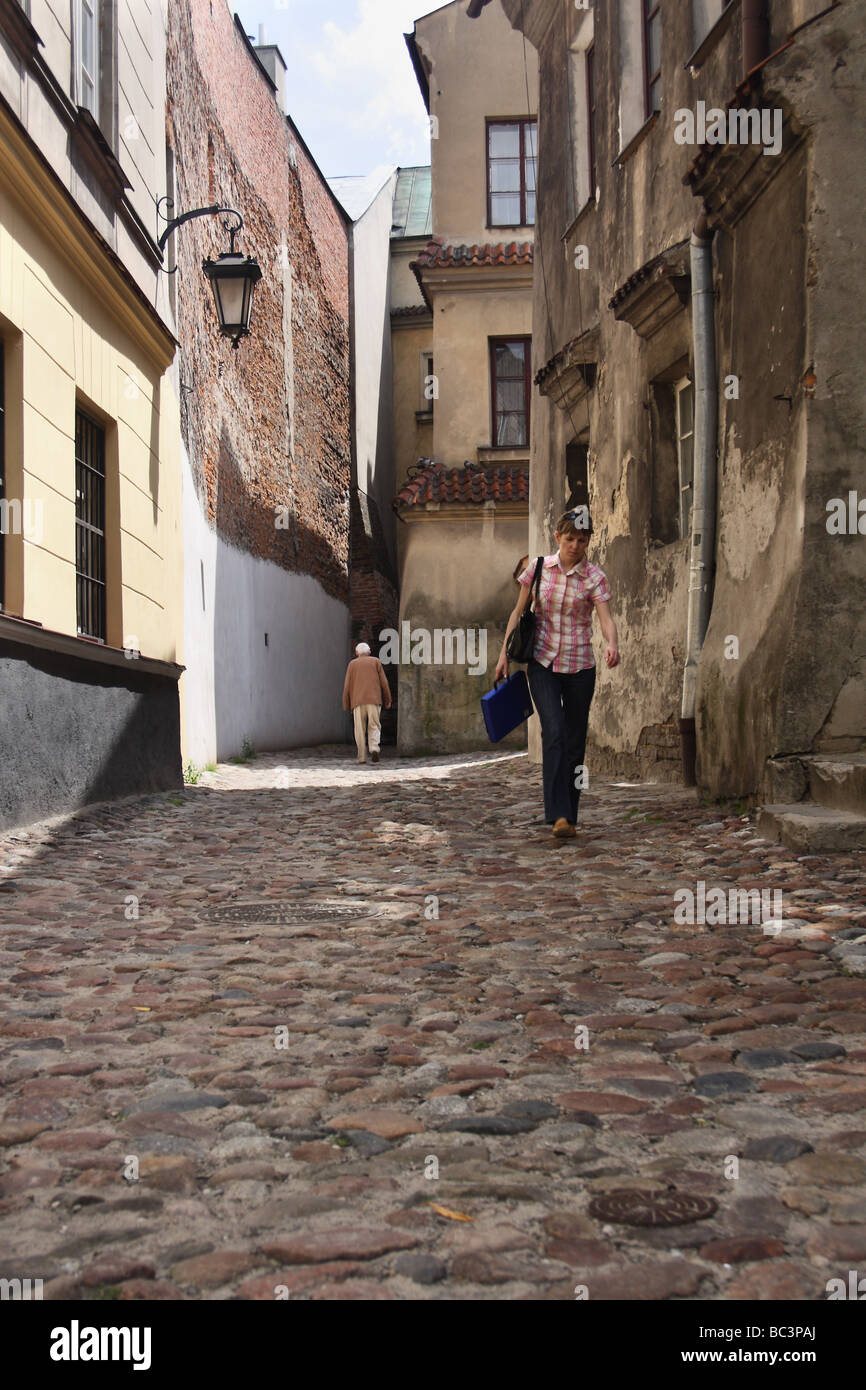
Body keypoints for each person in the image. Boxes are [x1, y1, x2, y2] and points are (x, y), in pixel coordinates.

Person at [496, 509, 620, 839]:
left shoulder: (594, 577)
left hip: (581, 666)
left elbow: (606, 617)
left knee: (576, 741)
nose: (576, 546)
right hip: (543, 663)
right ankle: (558, 815)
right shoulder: (537, 570)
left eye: (582, 540)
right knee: (554, 732)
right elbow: (518, 613)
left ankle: (571, 815)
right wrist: (503, 655)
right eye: (570, 539)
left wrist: (612, 643)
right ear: (557, 537)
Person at [342, 642, 392, 764]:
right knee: (374, 725)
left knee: (359, 729)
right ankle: (374, 747)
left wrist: (346, 704)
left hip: (357, 702)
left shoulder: (352, 664)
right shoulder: (376, 662)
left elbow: (347, 686)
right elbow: (384, 682)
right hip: (374, 700)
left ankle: (362, 757)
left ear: (356, 653)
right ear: (369, 652)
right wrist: (388, 699)